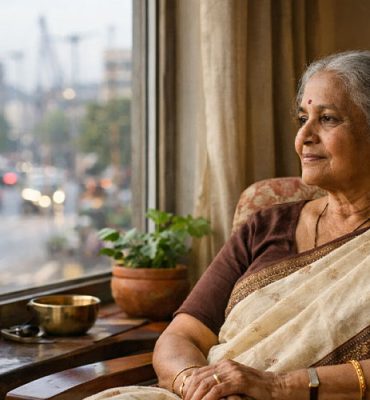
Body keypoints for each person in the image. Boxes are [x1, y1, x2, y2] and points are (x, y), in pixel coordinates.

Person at [85, 50, 370, 400]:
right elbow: (182, 336)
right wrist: (199, 384)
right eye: (302, 118)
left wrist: (275, 386)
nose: (304, 136)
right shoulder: (265, 226)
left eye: (327, 119)